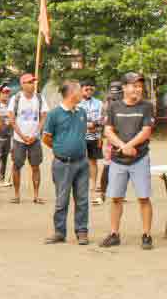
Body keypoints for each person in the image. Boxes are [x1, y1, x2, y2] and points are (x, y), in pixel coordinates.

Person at [101, 72, 156, 249]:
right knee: (116, 198)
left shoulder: (146, 107)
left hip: (139, 158)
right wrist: (123, 147)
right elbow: (108, 131)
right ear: (124, 87)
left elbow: (146, 131)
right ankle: (114, 233)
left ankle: (146, 235)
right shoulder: (114, 107)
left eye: (140, 86)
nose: (137, 89)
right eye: (134, 85)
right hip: (118, 160)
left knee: (143, 198)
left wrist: (130, 145)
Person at [42, 80, 90, 245]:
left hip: (82, 162)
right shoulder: (54, 114)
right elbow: (46, 138)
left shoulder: (82, 112)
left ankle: (82, 231)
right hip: (63, 164)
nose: (82, 93)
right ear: (71, 93)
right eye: (79, 90)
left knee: (82, 199)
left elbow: (82, 134)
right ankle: (59, 232)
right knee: (62, 200)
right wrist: (60, 150)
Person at [7, 72, 46, 204]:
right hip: (19, 140)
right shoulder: (16, 99)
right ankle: (17, 195)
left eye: (33, 82)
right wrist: (22, 136)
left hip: (35, 140)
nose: (32, 84)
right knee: (17, 166)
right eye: (29, 82)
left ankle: (36, 195)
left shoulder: (40, 98)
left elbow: (43, 117)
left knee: (36, 166)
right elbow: (12, 119)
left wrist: (35, 134)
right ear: (22, 85)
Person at [79, 81, 105, 204]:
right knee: (79, 161)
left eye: (91, 89)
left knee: (92, 161)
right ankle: (80, 184)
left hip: (94, 137)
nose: (89, 91)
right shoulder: (77, 103)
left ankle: (93, 184)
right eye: (86, 89)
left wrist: (100, 137)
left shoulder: (99, 103)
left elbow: (101, 121)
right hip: (79, 137)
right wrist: (88, 125)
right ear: (81, 89)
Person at [0, 84, 13, 188]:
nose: (5, 96)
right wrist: (2, 85)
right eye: (3, 93)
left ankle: (2, 179)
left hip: (8, 135)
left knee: (5, 157)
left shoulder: (11, 106)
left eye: (7, 94)